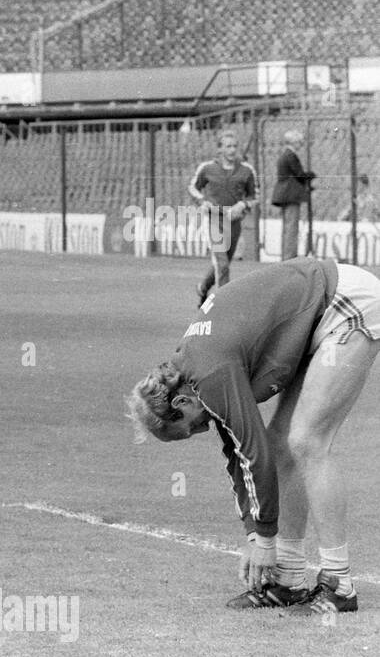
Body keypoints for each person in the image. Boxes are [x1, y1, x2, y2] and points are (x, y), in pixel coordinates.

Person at [126, 257, 377, 615]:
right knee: (281, 443)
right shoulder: (193, 369)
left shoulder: (209, 371)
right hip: (315, 314)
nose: (201, 430)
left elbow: (251, 451)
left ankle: (340, 584)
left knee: (307, 441)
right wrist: (254, 535)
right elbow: (241, 457)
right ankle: (288, 579)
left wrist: (264, 538)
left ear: (181, 401)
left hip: (345, 302)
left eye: (189, 428)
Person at [189, 130, 258, 305]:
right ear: (220, 149)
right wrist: (202, 201)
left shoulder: (246, 170)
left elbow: (255, 195)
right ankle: (223, 305)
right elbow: (193, 188)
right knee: (222, 264)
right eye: (228, 146)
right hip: (214, 220)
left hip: (234, 222)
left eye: (235, 146)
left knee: (223, 263)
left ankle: (203, 287)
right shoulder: (207, 168)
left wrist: (243, 204)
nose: (232, 150)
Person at [270, 129, 314, 260]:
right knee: (291, 228)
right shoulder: (290, 155)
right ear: (293, 142)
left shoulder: (285, 155)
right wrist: (310, 175)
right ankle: (289, 257)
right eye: (299, 142)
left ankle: (286, 256)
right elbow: (299, 174)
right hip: (290, 194)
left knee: (288, 227)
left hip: (284, 194)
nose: (300, 144)